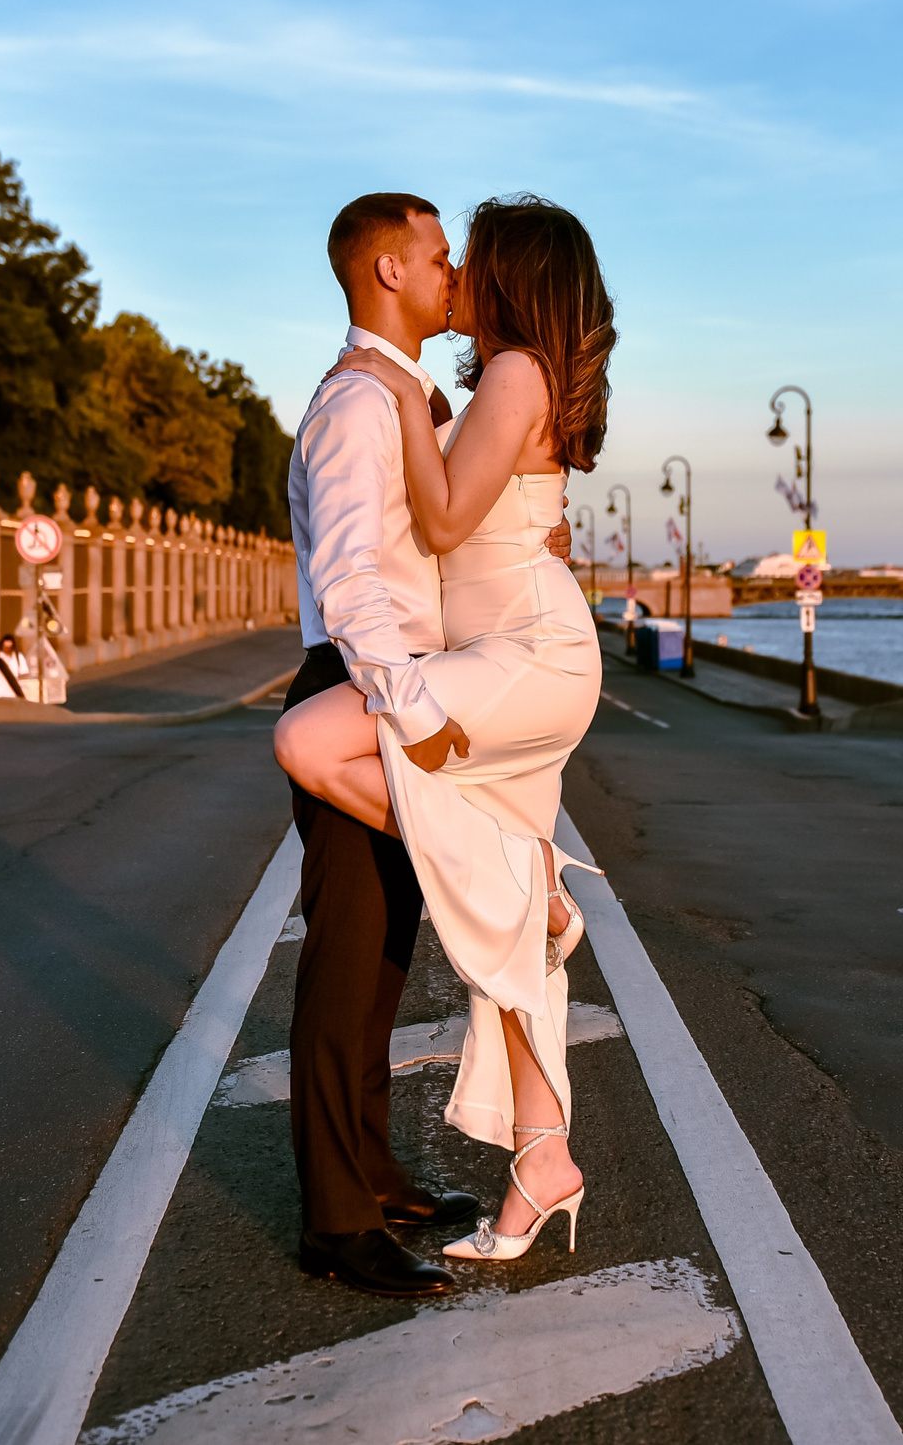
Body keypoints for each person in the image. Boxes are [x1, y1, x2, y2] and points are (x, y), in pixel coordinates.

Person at [278, 193, 614, 1271]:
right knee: (346, 962)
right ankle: (340, 1218)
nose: (455, 273)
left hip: (450, 675)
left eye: (467, 259)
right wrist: (400, 697)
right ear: (388, 272)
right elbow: (350, 577)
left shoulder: (427, 395)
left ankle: (377, 1172)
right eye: (438, 257)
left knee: (385, 957)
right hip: (383, 683)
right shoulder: (360, 401)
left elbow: (457, 526)